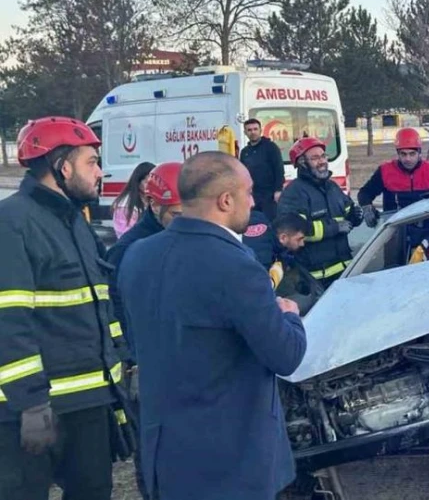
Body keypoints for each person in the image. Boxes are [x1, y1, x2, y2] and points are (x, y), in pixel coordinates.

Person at [117, 151, 307, 500]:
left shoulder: (136, 256)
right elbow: (285, 355)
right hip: (230, 465)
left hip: (166, 456)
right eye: (248, 193)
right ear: (225, 200)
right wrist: (290, 316)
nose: (252, 201)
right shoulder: (235, 266)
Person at [0, 116, 131, 500]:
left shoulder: (74, 220)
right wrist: (31, 404)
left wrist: (119, 377)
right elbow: (8, 320)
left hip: (89, 402)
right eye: (92, 161)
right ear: (63, 165)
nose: (101, 171)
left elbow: (100, 306)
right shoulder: (12, 223)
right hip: (31, 411)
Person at [104, 161, 182, 500]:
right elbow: (115, 307)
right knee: (153, 449)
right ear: (153, 204)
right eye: (178, 214)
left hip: (181, 358)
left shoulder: (185, 236)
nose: (185, 222)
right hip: (145, 363)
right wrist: (130, 356)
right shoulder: (130, 249)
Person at [278, 137, 363, 287]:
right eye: (315, 158)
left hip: (345, 272)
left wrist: (356, 216)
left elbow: (348, 211)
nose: (322, 161)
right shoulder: (294, 193)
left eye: (323, 156)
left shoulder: (332, 187)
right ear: (302, 163)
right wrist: (334, 228)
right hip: (315, 278)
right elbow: (295, 231)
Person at [357, 127, 429, 219]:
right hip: (396, 226)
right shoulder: (385, 171)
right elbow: (365, 193)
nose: (408, 159)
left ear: (419, 153)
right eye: (403, 154)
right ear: (398, 154)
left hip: (427, 227)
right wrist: (367, 208)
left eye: (412, 154)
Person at [269, 213, 326, 314]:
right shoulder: (266, 256)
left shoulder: (282, 254)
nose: (302, 244)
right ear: (283, 238)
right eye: (299, 239)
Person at [239, 117, 286, 219]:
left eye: (255, 129)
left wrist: (278, 190)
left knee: (270, 223)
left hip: (269, 196)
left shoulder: (271, 147)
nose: (253, 132)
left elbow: (279, 169)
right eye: (249, 130)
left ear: (260, 130)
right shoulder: (245, 152)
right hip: (253, 195)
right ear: (245, 132)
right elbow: (242, 173)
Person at [112, 161, 156, 237]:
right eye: (147, 182)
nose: (151, 186)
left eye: (154, 182)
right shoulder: (124, 206)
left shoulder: (154, 200)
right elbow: (124, 235)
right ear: (138, 182)